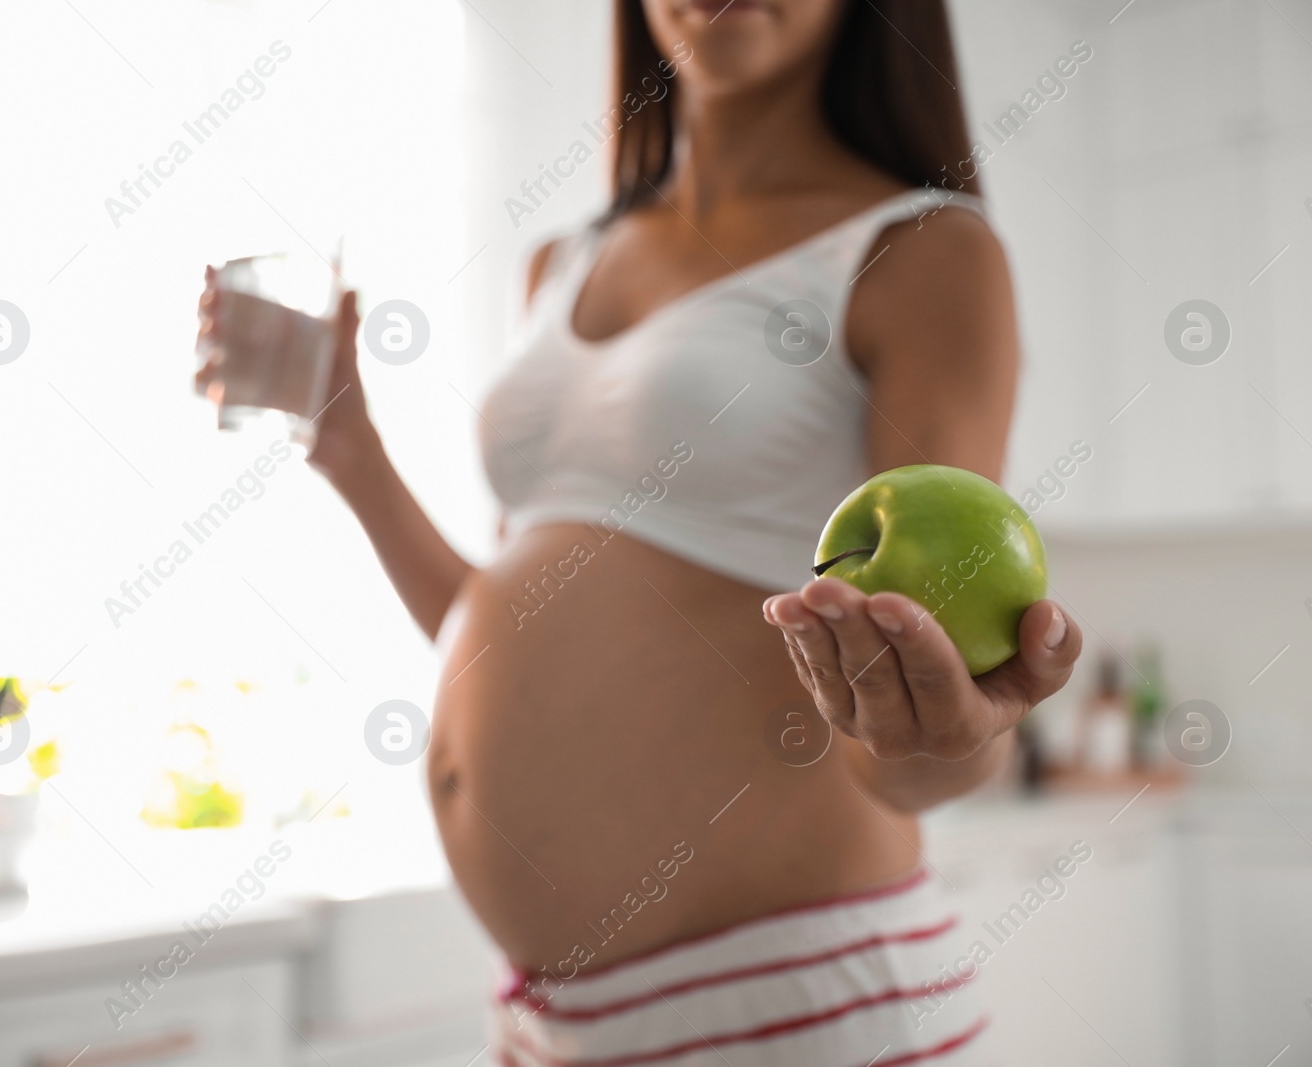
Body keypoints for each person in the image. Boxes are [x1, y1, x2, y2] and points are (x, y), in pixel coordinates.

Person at [198, 1, 1083, 1062]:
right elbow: (498, 625)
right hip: (549, 1024)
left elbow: (919, 697)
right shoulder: (561, 261)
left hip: (786, 1001)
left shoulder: (921, 249)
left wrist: (942, 741)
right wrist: (349, 444)